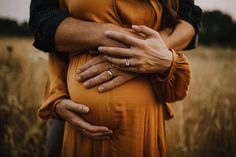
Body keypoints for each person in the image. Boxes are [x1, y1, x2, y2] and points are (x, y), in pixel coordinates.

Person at [29, 0, 202, 156]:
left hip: (141, 124)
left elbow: (188, 16)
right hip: (73, 121)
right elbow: (42, 21)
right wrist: (110, 35)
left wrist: (150, 51)